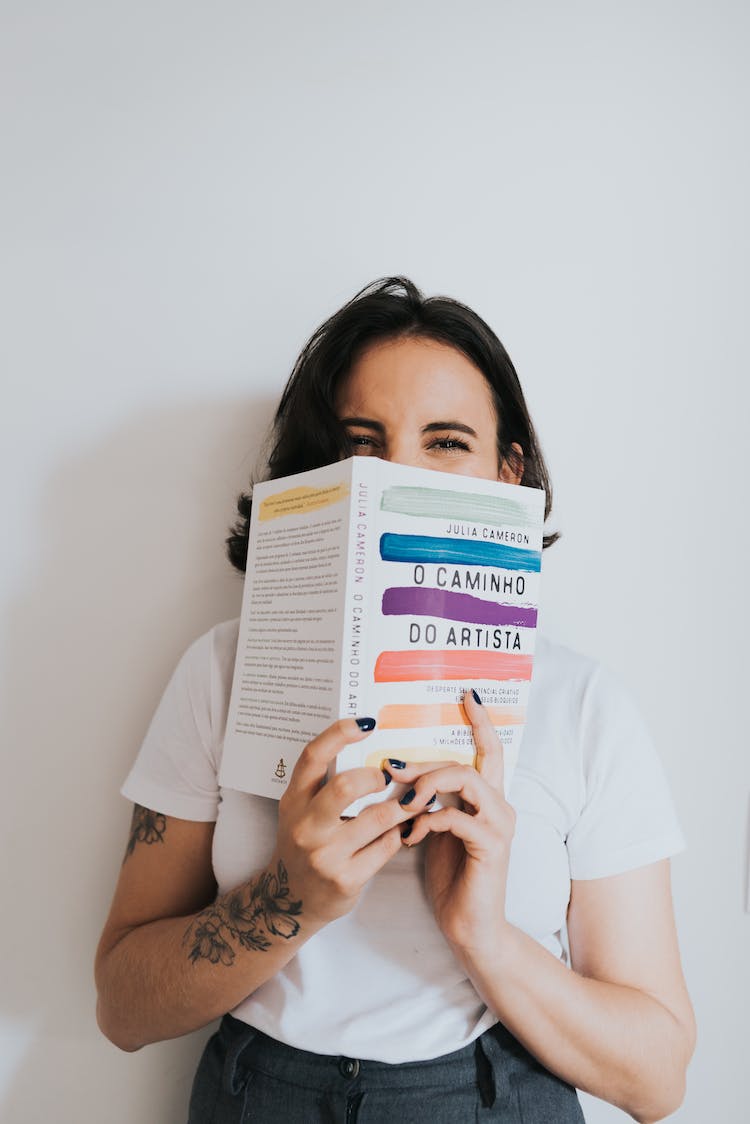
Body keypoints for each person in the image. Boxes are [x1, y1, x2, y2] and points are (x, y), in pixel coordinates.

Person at [95, 277, 696, 1123]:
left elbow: (657, 1078)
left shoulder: (585, 704)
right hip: (260, 1092)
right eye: (361, 443)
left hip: (494, 1089)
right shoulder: (223, 671)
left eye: (446, 441)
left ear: (506, 471)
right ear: (319, 472)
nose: (399, 475)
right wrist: (291, 898)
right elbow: (123, 1007)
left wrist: (482, 936)